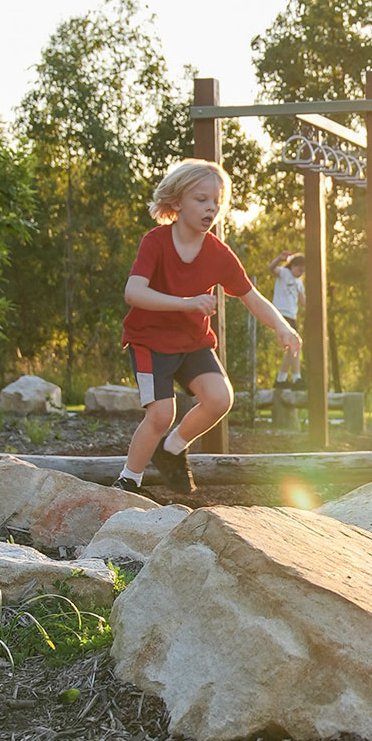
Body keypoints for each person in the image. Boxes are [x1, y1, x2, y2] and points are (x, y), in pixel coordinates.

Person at [115, 159, 300, 495]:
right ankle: (129, 480)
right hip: (150, 342)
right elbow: (133, 292)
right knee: (160, 415)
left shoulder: (218, 253)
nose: (211, 208)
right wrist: (186, 302)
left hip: (192, 342)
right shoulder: (155, 242)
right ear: (177, 202)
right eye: (201, 199)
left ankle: (171, 450)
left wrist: (282, 326)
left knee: (219, 399)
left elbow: (252, 297)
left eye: (216, 202)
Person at [267, 250, 307, 387]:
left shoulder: (299, 282)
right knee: (295, 344)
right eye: (298, 269)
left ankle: (281, 379)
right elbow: (271, 268)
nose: (300, 273)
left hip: (292, 316)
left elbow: (304, 301)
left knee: (293, 346)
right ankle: (296, 378)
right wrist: (279, 258)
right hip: (281, 313)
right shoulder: (284, 273)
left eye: (303, 271)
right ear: (292, 266)